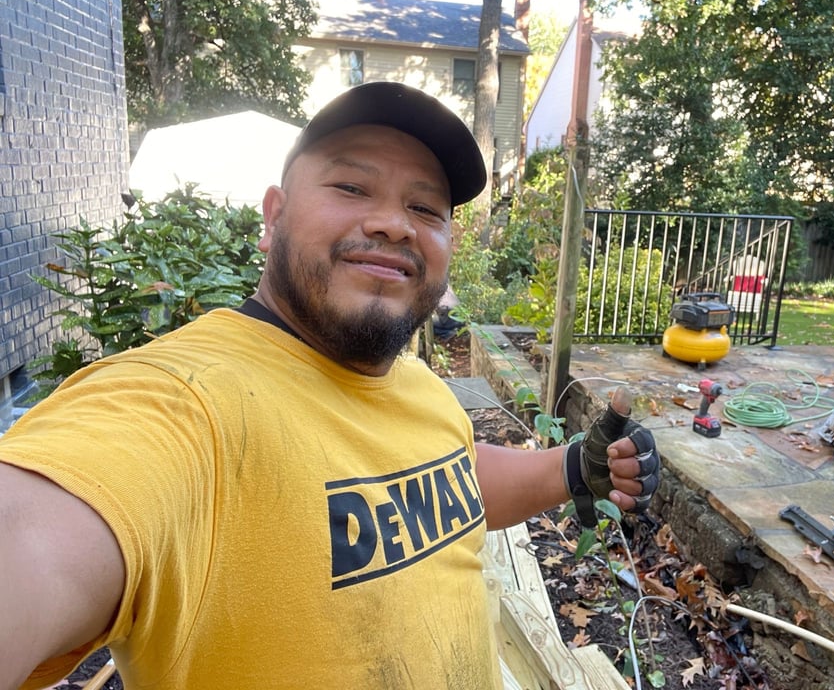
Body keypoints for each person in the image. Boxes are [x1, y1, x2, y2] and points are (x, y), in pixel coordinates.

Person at [0, 82, 660, 690]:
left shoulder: (419, 387)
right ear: (274, 216)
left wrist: (571, 468)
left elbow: (444, 481)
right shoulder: (183, 404)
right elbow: (39, 531)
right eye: (351, 187)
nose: (394, 223)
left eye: (423, 207)